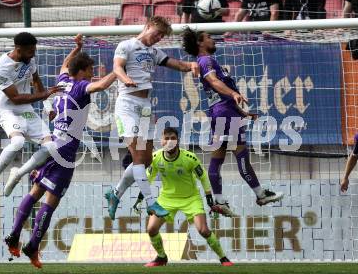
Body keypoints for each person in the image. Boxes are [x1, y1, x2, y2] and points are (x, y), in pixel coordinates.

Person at [3, 35, 116, 269]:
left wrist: (76, 48)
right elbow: (103, 84)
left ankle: (14, 234)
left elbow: (65, 65)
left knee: (35, 193)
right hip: (64, 153)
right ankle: (32, 245)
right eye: (90, 70)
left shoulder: (63, 81)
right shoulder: (82, 87)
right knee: (49, 203)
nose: (92, 74)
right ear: (83, 71)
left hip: (51, 144)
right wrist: (119, 69)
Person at [181, 27, 283, 216]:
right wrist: (235, 93)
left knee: (218, 157)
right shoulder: (206, 60)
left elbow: (220, 94)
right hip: (224, 114)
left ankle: (219, 201)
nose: (213, 39)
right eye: (209, 36)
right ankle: (260, 194)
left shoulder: (209, 61)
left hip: (224, 112)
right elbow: (213, 82)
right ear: (200, 43)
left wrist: (242, 112)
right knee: (241, 154)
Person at [105, 16, 200, 220]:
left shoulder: (154, 52)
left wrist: (191, 64)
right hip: (128, 105)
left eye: (162, 36)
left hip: (145, 107)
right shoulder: (127, 45)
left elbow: (177, 64)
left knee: (146, 160)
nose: (158, 38)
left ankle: (115, 194)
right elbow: (117, 67)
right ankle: (151, 203)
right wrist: (125, 78)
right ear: (148, 26)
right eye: (157, 33)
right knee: (138, 158)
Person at [0, 32, 62, 203]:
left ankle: (17, 173)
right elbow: (15, 98)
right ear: (18, 49)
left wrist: (47, 106)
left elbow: (36, 80)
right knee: (18, 142)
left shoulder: (29, 59)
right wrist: (45, 95)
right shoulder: (1, 68)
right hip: (8, 109)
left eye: (34, 50)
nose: (33, 54)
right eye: (30, 51)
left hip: (25, 109)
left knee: (52, 146)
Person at [132, 127, 233, 267]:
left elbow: (203, 176)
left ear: (178, 141)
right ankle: (161, 258)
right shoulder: (155, 158)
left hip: (191, 198)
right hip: (166, 199)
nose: (169, 141)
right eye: (166, 138)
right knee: (151, 229)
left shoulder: (189, 158)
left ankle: (223, 258)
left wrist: (209, 196)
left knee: (203, 230)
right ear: (161, 141)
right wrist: (139, 199)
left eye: (172, 138)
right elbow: (147, 179)